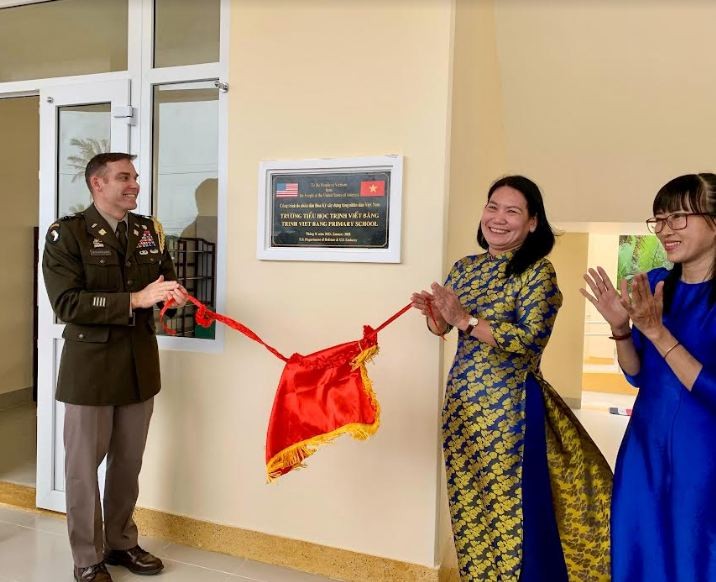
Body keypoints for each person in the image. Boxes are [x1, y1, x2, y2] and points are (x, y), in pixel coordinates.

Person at [412, 176, 612, 581]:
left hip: (511, 412)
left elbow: (528, 340)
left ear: (533, 223)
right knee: (471, 505)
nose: (498, 218)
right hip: (462, 408)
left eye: (512, 211)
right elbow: (445, 331)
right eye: (492, 207)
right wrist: (436, 317)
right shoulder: (465, 268)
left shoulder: (537, 273)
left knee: (515, 510)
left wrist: (464, 318)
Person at [43, 152, 188, 582]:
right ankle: (87, 556)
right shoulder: (66, 235)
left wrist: (169, 298)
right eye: (124, 177)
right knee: (83, 468)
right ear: (97, 184)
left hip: (139, 365)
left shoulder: (147, 231)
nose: (134, 185)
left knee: (128, 463)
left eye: (135, 177)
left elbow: (162, 283)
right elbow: (66, 304)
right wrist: (135, 300)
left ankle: (121, 542)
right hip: (90, 368)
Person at [581, 173, 716, 582]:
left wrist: (658, 333)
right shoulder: (654, 284)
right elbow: (637, 376)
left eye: (678, 218)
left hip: (704, 457)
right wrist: (622, 328)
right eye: (659, 219)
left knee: (695, 554)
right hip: (643, 449)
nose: (664, 230)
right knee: (639, 548)